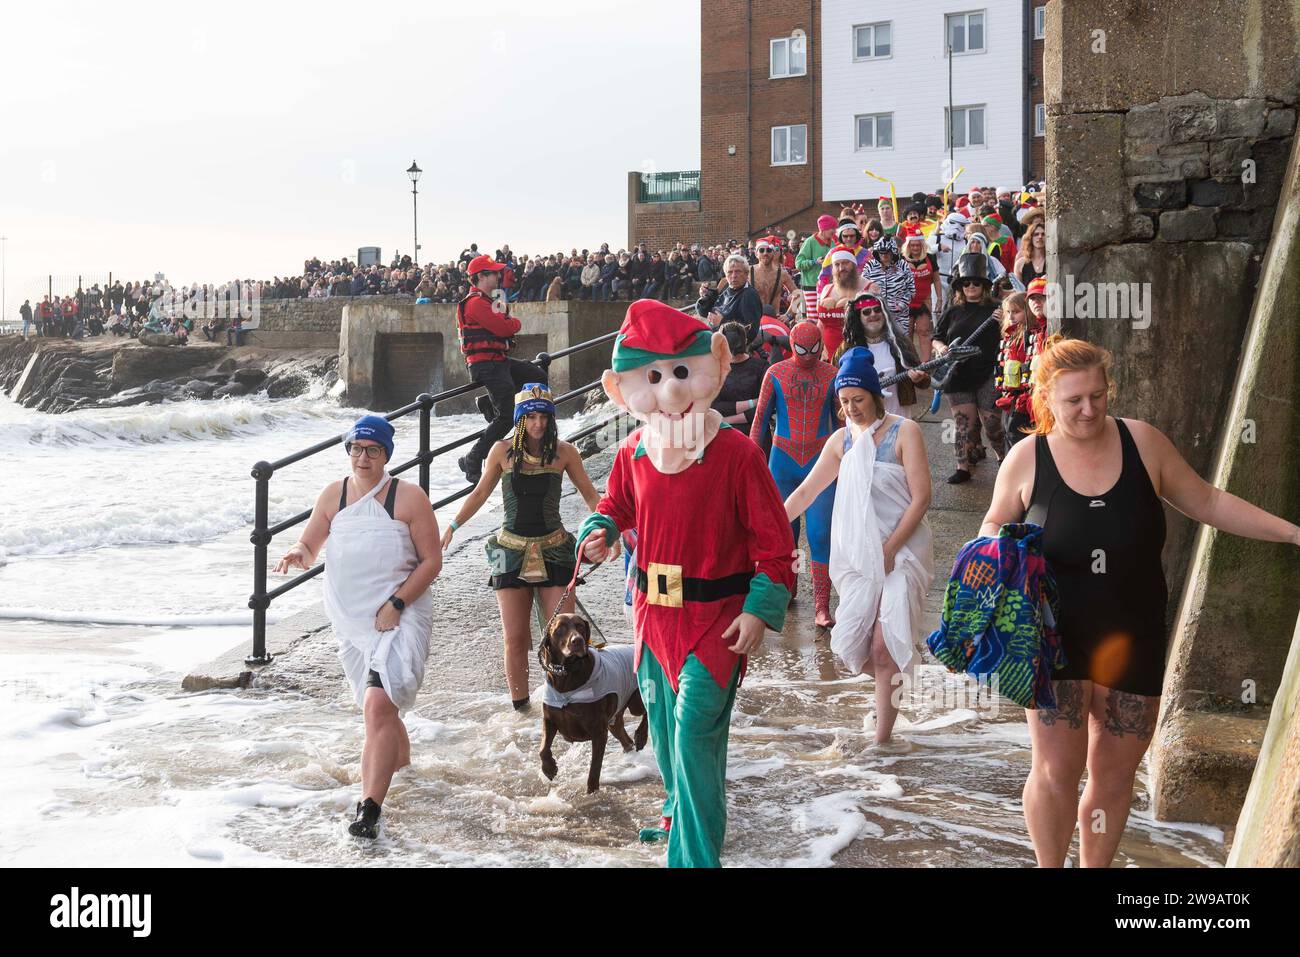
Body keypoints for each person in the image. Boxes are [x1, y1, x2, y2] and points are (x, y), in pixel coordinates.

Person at [979, 337, 1300, 867]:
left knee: (1114, 775)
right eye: (1074, 401)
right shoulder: (1027, 457)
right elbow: (994, 521)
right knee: (1056, 772)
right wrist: (995, 544)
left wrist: (1291, 533)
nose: (1088, 410)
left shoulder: (1143, 444)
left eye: (1098, 396)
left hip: (1135, 635)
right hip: (1055, 639)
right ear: (1045, 400)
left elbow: (1209, 501)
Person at [577, 300, 795, 868]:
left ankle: (694, 858)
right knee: (669, 738)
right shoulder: (632, 453)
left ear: (711, 366)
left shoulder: (737, 454)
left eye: (681, 373)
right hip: (652, 615)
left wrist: (759, 610)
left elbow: (775, 547)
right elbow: (614, 506)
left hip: (716, 620)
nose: (671, 392)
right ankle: (679, 810)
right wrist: (599, 530)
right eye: (653, 377)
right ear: (623, 386)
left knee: (695, 730)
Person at [273, 415, 441, 840]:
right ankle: (404, 772)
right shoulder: (334, 494)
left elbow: (431, 561)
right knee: (380, 711)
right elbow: (311, 544)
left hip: (400, 613)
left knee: (377, 707)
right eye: (356, 449)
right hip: (351, 619)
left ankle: (369, 808)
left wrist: (397, 603)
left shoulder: (408, 497)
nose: (363, 458)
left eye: (373, 450)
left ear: (386, 454)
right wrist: (297, 551)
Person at [784, 347, 933, 751]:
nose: (851, 408)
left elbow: (921, 498)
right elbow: (806, 491)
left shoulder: (905, 432)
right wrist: (771, 524)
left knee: (884, 648)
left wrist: (889, 548)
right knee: (854, 646)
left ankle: (881, 742)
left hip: (902, 552)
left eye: (858, 400)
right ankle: (892, 686)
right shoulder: (840, 442)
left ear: (876, 396)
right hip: (857, 557)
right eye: (844, 401)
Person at [441, 384, 606, 711]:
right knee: (514, 640)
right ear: (520, 419)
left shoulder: (565, 452)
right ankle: (521, 711)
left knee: (563, 637)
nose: (537, 423)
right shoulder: (501, 452)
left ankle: (564, 703)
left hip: (555, 549)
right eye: (530, 417)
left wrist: (611, 527)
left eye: (543, 416)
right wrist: (452, 526)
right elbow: (479, 494)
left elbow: (591, 495)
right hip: (510, 552)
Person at [751, 320, 839, 627]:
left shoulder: (832, 374)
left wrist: (850, 462)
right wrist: (751, 465)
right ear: (791, 345)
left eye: (814, 349)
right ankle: (786, 590)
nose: (808, 355)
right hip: (783, 461)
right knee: (783, 534)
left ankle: (822, 605)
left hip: (820, 461)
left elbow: (842, 424)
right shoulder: (775, 373)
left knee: (819, 534)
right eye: (802, 350)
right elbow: (760, 421)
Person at [455, 254, 548, 484]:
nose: (498, 276)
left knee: (536, 376)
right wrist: (512, 323)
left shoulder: (488, 301)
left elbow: (505, 324)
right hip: (485, 364)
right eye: (494, 273)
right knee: (506, 417)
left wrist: (509, 322)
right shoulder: (476, 303)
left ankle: (488, 401)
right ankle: (473, 459)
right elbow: (506, 328)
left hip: (497, 361)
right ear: (481, 277)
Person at [933, 253, 1006, 484]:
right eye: (967, 283)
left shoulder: (996, 309)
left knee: (992, 424)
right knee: (963, 424)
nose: (971, 287)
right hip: (958, 374)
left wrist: (1005, 319)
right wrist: (942, 348)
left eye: (976, 283)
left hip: (987, 372)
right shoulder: (953, 311)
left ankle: (1004, 461)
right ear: (960, 287)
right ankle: (962, 467)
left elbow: (1013, 331)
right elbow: (936, 337)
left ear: (984, 286)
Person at [836, 293, 929, 417]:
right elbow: (835, 381)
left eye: (877, 310)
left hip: (898, 416)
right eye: (866, 312)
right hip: (862, 419)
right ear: (858, 317)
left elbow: (924, 382)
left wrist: (919, 378)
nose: (873, 314)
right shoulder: (847, 348)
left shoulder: (901, 343)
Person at [994, 281, 1049, 445]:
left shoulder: (1036, 332)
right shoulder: (1010, 335)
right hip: (1012, 400)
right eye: (1008, 312)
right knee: (1009, 436)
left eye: (1016, 312)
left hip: (1029, 402)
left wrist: (1024, 400)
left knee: (1021, 440)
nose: (1011, 316)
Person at [711, 322, 768, 434]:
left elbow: (766, 407)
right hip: (732, 432)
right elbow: (714, 406)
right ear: (745, 340)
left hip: (750, 432)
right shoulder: (762, 367)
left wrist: (727, 420)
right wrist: (753, 402)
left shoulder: (761, 368)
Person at [695, 253, 762, 344]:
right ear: (726, 275)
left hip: (731, 348)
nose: (734, 275)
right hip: (715, 339)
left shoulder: (748, 295)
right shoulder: (728, 289)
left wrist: (722, 322)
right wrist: (705, 296)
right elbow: (703, 312)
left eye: (738, 271)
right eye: (730, 272)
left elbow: (751, 331)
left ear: (746, 274)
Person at [796, 216, 837, 289]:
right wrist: (814, 262)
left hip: (829, 285)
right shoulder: (810, 242)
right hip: (811, 286)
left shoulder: (833, 243)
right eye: (832, 228)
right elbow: (799, 264)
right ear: (824, 229)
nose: (835, 231)